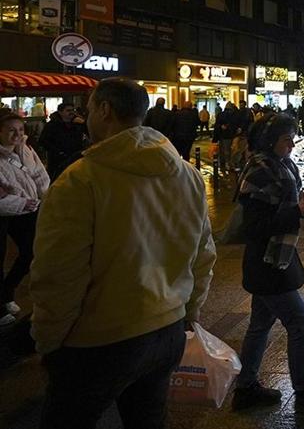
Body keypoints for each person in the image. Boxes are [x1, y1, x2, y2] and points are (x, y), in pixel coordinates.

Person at [29, 78, 217, 429]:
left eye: (88, 111)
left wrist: (49, 340)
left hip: (99, 338)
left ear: (104, 110)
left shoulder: (80, 180)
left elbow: (59, 274)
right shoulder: (187, 175)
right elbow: (203, 254)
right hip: (167, 330)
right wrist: (188, 312)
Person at [230, 114, 304, 414]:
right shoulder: (258, 170)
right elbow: (254, 226)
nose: (292, 143)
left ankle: (246, 388)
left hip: (278, 256)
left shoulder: (284, 165)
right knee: (300, 322)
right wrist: (297, 212)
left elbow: (290, 209)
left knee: (260, 324)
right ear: (269, 141)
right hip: (266, 261)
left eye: (293, 136)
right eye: (286, 138)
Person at [0, 110, 50, 326]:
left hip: (29, 209)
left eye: (20, 130)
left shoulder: (27, 149)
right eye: (11, 130)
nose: (17, 135)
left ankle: (6, 290)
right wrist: (25, 202)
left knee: (32, 252)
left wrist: (47, 197)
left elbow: (39, 174)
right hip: (7, 211)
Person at [38, 102, 87, 181]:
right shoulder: (52, 125)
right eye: (68, 110)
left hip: (75, 158)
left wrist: (83, 123)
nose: (71, 112)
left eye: (73, 110)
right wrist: (58, 152)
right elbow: (43, 141)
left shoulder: (77, 124)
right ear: (60, 112)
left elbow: (90, 132)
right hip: (58, 161)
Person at [214, 102, 237, 174]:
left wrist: (215, 136)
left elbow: (217, 125)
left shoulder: (220, 114)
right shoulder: (233, 115)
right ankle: (227, 163)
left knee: (222, 149)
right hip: (230, 135)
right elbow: (234, 125)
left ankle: (222, 163)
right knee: (228, 150)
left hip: (222, 135)